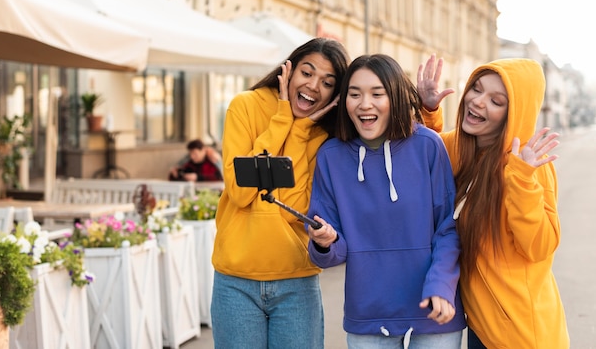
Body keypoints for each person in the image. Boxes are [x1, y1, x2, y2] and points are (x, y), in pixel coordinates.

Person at [306, 54, 466, 349]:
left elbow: (448, 227)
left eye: (377, 94)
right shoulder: (330, 156)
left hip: (434, 312)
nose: (365, 104)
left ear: (394, 96)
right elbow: (331, 250)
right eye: (355, 94)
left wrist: (442, 285)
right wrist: (323, 242)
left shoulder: (428, 146)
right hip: (368, 315)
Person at [417, 55, 570, 348]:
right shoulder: (464, 146)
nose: (477, 101)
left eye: (496, 101)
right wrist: (428, 110)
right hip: (481, 325)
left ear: (514, 113)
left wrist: (522, 180)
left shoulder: (530, 163)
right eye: (476, 88)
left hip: (521, 333)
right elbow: (426, 158)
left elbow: (539, 246)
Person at [210, 37, 350, 349]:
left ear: (334, 94)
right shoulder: (245, 106)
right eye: (307, 72)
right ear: (289, 70)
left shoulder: (322, 137)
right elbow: (241, 192)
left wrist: (299, 133)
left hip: (296, 281)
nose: (314, 86)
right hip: (237, 281)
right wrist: (283, 119)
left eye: (327, 82)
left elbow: (295, 209)